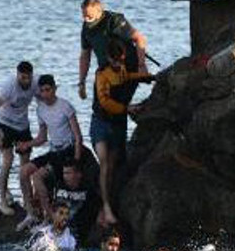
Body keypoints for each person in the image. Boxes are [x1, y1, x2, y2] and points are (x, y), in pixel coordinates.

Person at [93, 40, 156, 226]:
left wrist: (148, 77)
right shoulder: (102, 75)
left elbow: (127, 77)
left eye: (121, 61)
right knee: (103, 163)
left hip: (117, 124)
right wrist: (126, 108)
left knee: (112, 167)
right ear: (109, 58)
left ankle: (104, 209)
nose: (119, 64)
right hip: (101, 122)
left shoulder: (121, 69)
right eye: (116, 61)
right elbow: (104, 102)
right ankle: (105, 207)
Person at [18, 74, 84, 228]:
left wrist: (77, 159)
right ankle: (31, 213)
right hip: (53, 150)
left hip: (67, 150)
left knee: (37, 177)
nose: (45, 94)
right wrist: (26, 145)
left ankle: (49, 215)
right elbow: (42, 138)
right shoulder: (40, 110)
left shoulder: (65, 106)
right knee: (24, 171)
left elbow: (78, 136)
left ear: (55, 89)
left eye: (48, 90)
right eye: (42, 91)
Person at [0, 60, 37, 214]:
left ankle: (27, 201)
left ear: (32, 75)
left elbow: (46, 99)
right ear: (17, 75)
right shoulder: (9, 86)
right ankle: (2, 200)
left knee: (25, 165)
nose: (26, 81)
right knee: (8, 161)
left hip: (22, 125)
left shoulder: (35, 83)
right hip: (5, 123)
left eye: (28, 78)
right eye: (22, 78)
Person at [78, 0, 149, 102]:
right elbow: (85, 55)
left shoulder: (114, 20)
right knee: (99, 106)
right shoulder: (86, 27)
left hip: (126, 68)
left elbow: (140, 39)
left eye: (89, 16)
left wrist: (142, 65)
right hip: (105, 70)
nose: (86, 20)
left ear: (99, 10)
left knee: (116, 106)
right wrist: (82, 82)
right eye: (84, 16)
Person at [53, 158, 102, 239]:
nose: (65, 177)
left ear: (79, 174)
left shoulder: (89, 190)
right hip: (59, 227)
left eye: (68, 173)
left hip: (79, 231)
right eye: (64, 173)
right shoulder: (59, 185)